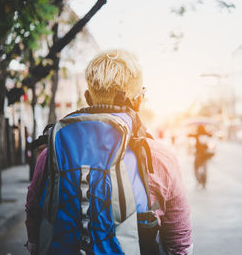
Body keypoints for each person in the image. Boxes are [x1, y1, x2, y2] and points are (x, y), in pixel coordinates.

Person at [25, 49, 193, 254]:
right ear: (139, 101)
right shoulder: (158, 157)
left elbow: (34, 213)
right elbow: (179, 238)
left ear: (87, 98)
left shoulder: (52, 153)